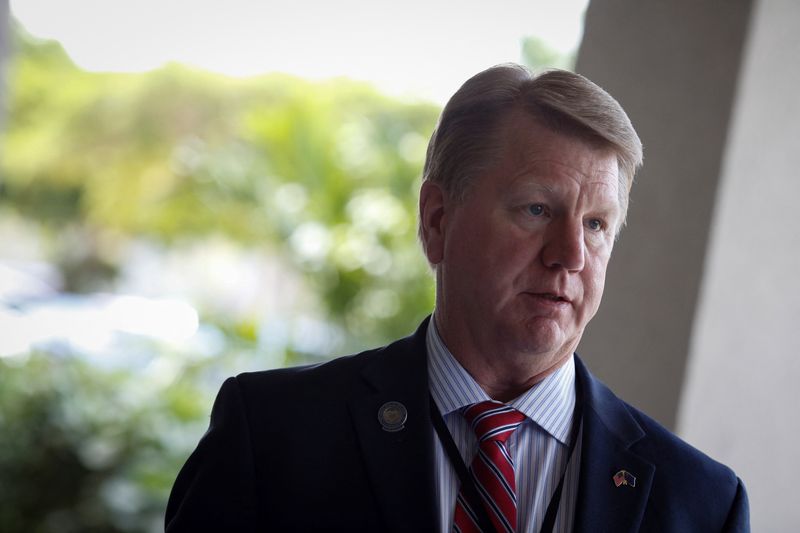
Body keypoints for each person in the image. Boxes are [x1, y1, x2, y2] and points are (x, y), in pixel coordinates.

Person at [165, 64, 749, 533]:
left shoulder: (701, 502)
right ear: (437, 220)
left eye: (596, 224)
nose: (570, 254)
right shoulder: (271, 438)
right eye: (537, 210)